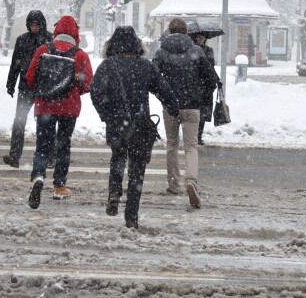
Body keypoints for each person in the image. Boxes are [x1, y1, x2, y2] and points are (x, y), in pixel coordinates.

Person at [90, 26, 178, 229]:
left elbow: (95, 92)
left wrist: (107, 115)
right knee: (137, 170)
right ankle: (131, 217)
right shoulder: (145, 66)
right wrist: (172, 106)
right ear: (137, 44)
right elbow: (163, 89)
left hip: (116, 123)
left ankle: (114, 192)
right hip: (140, 125)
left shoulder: (108, 65)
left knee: (118, 157)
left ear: (112, 45)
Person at [25, 15, 93, 209]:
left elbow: (30, 77)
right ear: (75, 33)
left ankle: (38, 176)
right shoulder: (80, 55)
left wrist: (45, 90)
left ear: (56, 31)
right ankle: (59, 186)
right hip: (68, 109)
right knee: (63, 145)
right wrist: (72, 90)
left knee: (43, 145)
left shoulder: (43, 50)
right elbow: (87, 82)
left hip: (45, 106)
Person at [153, 18, 213, 209]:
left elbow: (152, 78)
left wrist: (164, 97)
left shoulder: (162, 53)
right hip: (192, 106)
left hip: (171, 107)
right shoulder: (196, 51)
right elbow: (211, 79)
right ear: (187, 33)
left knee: (171, 144)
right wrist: (199, 94)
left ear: (169, 32)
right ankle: (191, 181)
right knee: (191, 146)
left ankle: (173, 183)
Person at [3, 10, 53, 168]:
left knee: (46, 123)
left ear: (42, 24)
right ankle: (14, 156)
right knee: (19, 121)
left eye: (37, 24)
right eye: (31, 24)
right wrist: (11, 82)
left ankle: (50, 157)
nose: (34, 27)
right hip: (25, 87)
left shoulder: (50, 40)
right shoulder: (22, 40)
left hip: (44, 88)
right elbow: (15, 63)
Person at [189, 32, 220, 146]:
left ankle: (198, 136)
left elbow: (211, 65)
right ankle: (193, 136)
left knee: (203, 113)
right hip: (194, 84)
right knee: (194, 111)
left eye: (203, 37)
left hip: (206, 85)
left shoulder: (208, 50)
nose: (200, 38)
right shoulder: (190, 50)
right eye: (198, 36)